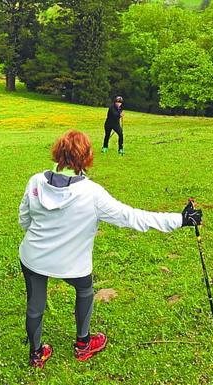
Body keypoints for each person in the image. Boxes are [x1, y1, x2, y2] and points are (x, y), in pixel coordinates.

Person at [18, 130, 202, 368]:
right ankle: (83, 345)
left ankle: (36, 355)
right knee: (84, 291)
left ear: (57, 152)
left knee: (35, 304)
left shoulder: (35, 181)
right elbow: (132, 217)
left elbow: (24, 219)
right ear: (87, 157)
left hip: (34, 257)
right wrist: (181, 219)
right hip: (72, 265)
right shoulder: (92, 193)